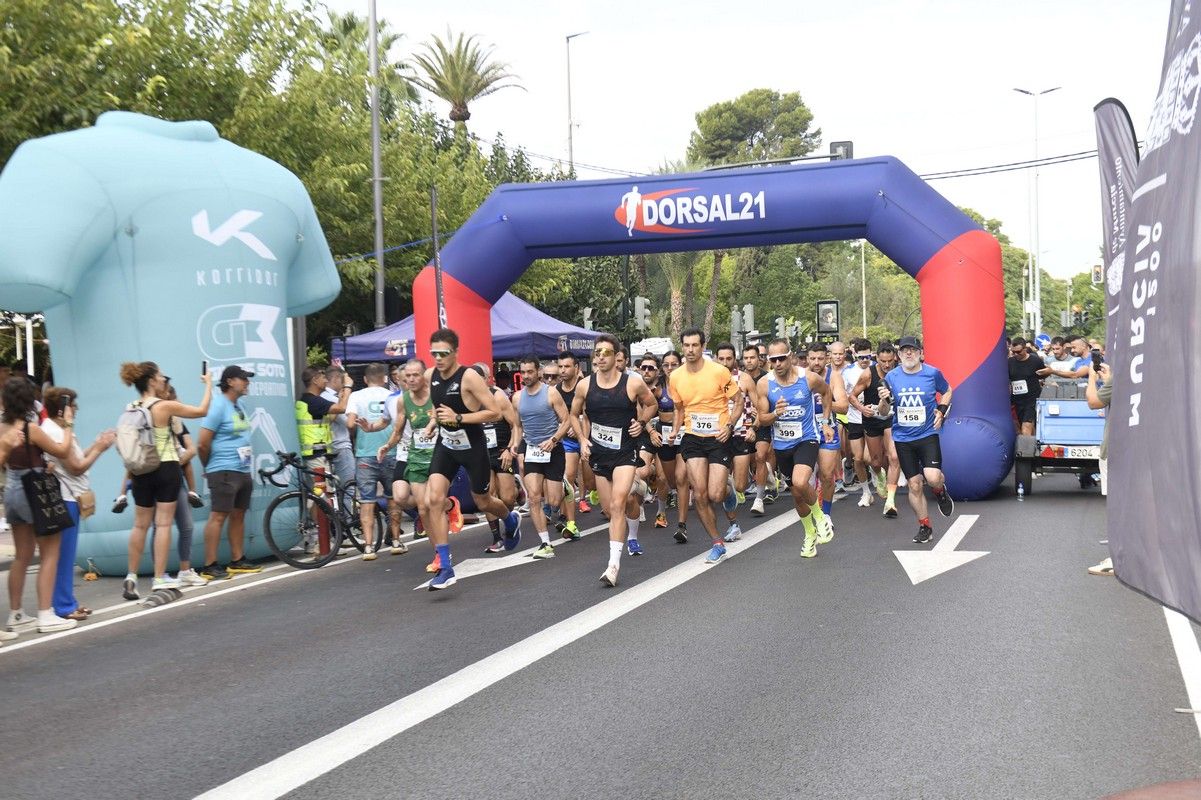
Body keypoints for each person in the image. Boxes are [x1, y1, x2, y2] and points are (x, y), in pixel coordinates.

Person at [422, 328, 520, 590]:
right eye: (434, 354)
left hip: (472, 445)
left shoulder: (468, 378)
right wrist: (433, 422)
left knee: (483, 501)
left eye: (443, 353)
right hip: (446, 445)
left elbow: (495, 413)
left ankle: (510, 519)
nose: (438, 358)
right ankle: (446, 567)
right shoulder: (430, 375)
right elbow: (436, 406)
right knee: (433, 499)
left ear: (455, 352)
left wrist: (459, 418)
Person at [118, 362, 212, 599]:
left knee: (139, 525)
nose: (163, 380)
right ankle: (159, 578)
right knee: (162, 524)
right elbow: (202, 410)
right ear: (150, 380)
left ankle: (131, 576)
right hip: (165, 468)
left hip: (140, 471)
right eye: (160, 376)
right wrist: (209, 384)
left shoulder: (131, 407)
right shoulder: (164, 406)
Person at [570, 334, 657, 586]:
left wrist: (641, 424)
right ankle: (638, 487)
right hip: (599, 453)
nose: (600, 357)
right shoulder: (585, 385)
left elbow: (650, 405)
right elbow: (574, 414)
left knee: (618, 505)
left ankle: (613, 566)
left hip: (625, 452)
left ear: (617, 357)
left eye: (606, 352)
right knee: (609, 510)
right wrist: (582, 440)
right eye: (597, 352)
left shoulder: (633, 383)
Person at [1, 377, 81, 634]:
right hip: (34, 493)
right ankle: (46, 614)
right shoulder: (30, 428)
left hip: (12, 490)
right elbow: (62, 450)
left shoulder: (1, 427)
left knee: (22, 556)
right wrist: (68, 423)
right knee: (50, 552)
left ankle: (16, 614)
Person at [40, 387, 117, 620]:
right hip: (65, 498)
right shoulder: (56, 430)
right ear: (63, 408)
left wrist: (96, 445)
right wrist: (101, 449)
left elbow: (74, 459)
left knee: (64, 556)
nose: (76, 410)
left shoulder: (56, 429)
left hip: (67, 497)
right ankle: (63, 606)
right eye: (72, 405)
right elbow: (76, 467)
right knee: (64, 557)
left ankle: (66, 603)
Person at [667, 328, 741, 564]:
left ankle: (729, 491)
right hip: (692, 437)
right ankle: (717, 542)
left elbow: (738, 401)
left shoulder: (718, 372)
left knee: (715, 494)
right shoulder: (676, 377)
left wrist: (729, 425)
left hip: (718, 436)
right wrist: (676, 430)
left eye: (694, 345)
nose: (690, 350)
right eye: (686, 345)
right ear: (682, 347)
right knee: (699, 495)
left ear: (702, 346)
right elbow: (679, 408)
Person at [754, 338, 833, 558]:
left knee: (800, 482)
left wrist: (825, 422)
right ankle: (809, 534)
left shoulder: (808, 378)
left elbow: (827, 393)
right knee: (797, 495)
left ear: (790, 357)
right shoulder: (764, 384)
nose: (777, 363)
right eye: (773, 360)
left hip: (806, 438)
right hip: (782, 445)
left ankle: (820, 517)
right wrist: (775, 414)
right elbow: (762, 418)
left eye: (781, 358)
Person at [875, 337, 955, 544]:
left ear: (920, 353)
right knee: (915, 485)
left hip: (927, 434)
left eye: (912, 350)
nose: (908, 354)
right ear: (899, 355)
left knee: (933, 476)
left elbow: (947, 390)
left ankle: (940, 491)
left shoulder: (932, 373)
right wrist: (883, 400)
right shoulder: (891, 377)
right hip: (903, 438)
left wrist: (943, 409)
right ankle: (924, 526)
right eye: (904, 351)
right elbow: (883, 413)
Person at [197, 365, 261, 580]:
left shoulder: (239, 405)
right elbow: (203, 443)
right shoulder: (218, 405)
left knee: (239, 514)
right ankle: (210, 564)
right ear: (231, 381)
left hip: (241, 468)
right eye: (244, 379)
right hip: (223, 469)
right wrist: (208, 467)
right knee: (218, 516)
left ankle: (237, 559)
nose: (247, 383)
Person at [510, 357, 574, 559]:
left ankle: (566, 487)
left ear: (538, 372)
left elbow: (566, 420)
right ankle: (545, 543)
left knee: (554, 501)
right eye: (523, 372)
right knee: (535, 497)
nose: (526, 376)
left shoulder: (551, 393)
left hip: (553, 450)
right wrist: (515, 443)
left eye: (530, 372)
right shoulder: (517, 398)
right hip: (532, 450)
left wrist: (554, 440)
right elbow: (518, 426)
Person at [345, 363, 396, 561]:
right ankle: (397, 541)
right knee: (393, 498)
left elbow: (350, 424)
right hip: (390, 452)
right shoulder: (392, 395)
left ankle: (368, 546)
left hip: (365, 453)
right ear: (384, 378)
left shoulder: (356, 396)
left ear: (365, 379)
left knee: (367, 500)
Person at [849, 342, 901, 517]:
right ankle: (878, 475)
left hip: (892, 419)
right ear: (876, 358)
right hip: (872, 419)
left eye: (890, 361)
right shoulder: (867, 374)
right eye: (883, 361)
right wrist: (862, 409)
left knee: (893, 456)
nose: (887, 365)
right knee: (876, 462)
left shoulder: (899, 373)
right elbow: (852, 396)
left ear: (895, 358)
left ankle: (890, 501)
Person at [805, 342, 849, 544]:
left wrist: (826, 403)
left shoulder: (834, 376)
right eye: (812, 358)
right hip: (804, 433)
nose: (816, 362)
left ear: (827, 359)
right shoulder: (800, 376)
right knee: (803, 480)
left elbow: (844, 407)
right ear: (807, 359)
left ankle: (826, 514)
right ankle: (812, 512)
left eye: (820, 358)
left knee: (826, 475)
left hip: (827, 432)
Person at [713, 342, 757, 542]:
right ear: (715, 359)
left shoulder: (744, 379)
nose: (724, 363)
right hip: (719, 437)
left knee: (740, 486)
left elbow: (761, 408)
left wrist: (753, 428)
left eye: (728, 358)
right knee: (720, 489)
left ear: (734, 359)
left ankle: (732, 482)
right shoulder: (710, 378)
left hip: (740, 435)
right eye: (721, 359)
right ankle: (733, 525)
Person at [475, 362, 519, 553]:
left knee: (507, 498)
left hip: (501, 451)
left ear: (487, 379)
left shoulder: (498, 396)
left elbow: (516, 425)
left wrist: (510, 449)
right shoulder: (469, 399)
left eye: (479, 379)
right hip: (481, 454)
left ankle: (511, 521)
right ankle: (497, 537)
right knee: (487, 497)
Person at [660, 350, 692, 542]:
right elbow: (643, 408)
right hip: (665, 438)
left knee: (681, 478)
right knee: (671, 481)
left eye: (674, 364)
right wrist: (651, 429)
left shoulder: (687, 383)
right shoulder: (657, 386)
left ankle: (681, 525)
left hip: (685, 434)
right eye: (666, 364)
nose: (670, 368)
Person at [1086, 361, 1114, 575]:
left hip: (1115, 449)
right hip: (1136, 449)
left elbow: (1093, 402)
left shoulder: (1121, 378)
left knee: (1116, 505)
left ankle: (1116, 558)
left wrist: (1091, 378)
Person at [555, 352, 589, 528]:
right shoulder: (556, 391)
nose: (562, 370)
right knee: (567, 477)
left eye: (566, 366)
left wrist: (582, 435)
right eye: (560, 366)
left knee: (592, 482)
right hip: (567, 440)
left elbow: (588, 416)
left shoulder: (584, 387)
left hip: (588, 438)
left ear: (576, 368)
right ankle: (566, 518)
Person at [741, 344, 775, 515]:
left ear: (759, 359)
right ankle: (766, 475)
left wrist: (762, 411)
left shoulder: (768, 378)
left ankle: (759, 499)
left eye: (752, 357)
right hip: (741, 426)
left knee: (761, 456)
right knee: (753, 461)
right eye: (746, 358)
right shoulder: (738, 378)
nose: (749, 361)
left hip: (762, 424)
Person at [1008, 336, 1047, 436]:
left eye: (1019, 351)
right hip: (1017, 400)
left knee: (1026, 426)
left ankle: (1026, 452)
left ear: (1025, 349)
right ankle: (1034, 447)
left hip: (1032, 399)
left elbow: (1044, 374)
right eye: (1013, 352)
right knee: (1024, 427)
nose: (1016, 354)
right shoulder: (1010, 362)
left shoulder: (1035, 360)